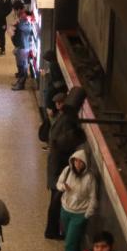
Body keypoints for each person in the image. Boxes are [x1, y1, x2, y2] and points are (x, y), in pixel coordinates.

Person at [45, 87, 86, 238]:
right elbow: (63, 142)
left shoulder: (61, 116)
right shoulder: (67, 119)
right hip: (58, 166)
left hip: (55, 164)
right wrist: (80, 135)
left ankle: (52, 230)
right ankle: (52, 231)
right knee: (56, 200)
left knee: (55, 200)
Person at [56, 149, 97, 251]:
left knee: (69, 244)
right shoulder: (67, 170)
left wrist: (86, 215)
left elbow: (93, 198)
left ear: (85, 163)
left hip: (79, 215)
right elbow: (58, 184)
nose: (77, 164)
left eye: (81, 162)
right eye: (75, 161)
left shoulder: (90, 178)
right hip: (65, 210)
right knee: (70, 241)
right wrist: (63, 187)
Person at [11, 2, 35, 90]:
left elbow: (27, 29)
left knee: (23, 66)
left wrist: (16, 25)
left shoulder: (25, 18)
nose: (14, 12)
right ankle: (19, 81)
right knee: (20, 65)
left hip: (24, 45)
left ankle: (21, 84)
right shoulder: (22, 17)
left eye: (15, 10)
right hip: (21, 44)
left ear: (18, 9)